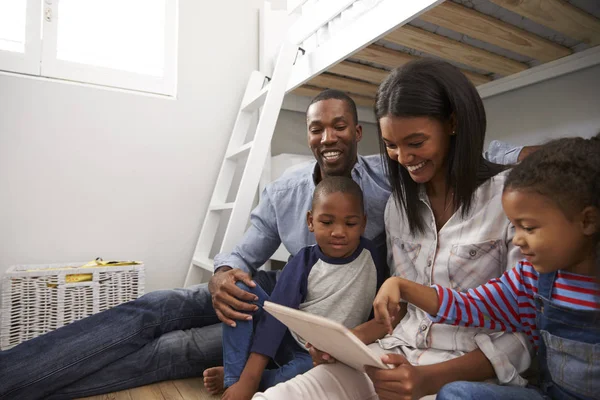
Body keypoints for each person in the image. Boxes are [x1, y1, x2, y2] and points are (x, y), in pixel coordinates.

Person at [0, 89, 524, 400]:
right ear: (309, 134)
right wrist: (224, 276)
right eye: (317, 128)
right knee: (158, 306)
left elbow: (470, 157)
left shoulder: (395, 184)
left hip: (325, 325)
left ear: (358, 133)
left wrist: (544, 155)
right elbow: (243, 253)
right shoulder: (287, 189)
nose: (328, 137)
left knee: (176, 351)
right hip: (269, 297)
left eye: (339, 126)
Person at [253, 59, 534, 400]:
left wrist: (429, 379)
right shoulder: (398, 206)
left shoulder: (509, 199)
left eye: (415, 142)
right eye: (391, 145)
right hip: (390, 356)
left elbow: (526, 332)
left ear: (453, 123)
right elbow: (397, 310)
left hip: (466, 377)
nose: (403, 157)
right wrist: (345, 342)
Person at [374, 135, 600, 400]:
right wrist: (402, 287)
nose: (517, 239)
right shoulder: (530, 280)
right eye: (514, 227)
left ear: (587, 221)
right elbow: (467, 306)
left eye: (529, 228)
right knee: (457, 394)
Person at [208, 176, 387, 400]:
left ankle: (257, 378)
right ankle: (236, 379)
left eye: (350, 223)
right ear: (311, 221)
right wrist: (246, 382)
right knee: (240, 287)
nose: (339, 232)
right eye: (327, 222)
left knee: (307, 375)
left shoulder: (374, 257)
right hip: (287, 336)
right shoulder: (304, 261)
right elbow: (275, 320)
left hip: (316, 355)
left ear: (363, 222)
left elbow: (377, 307)